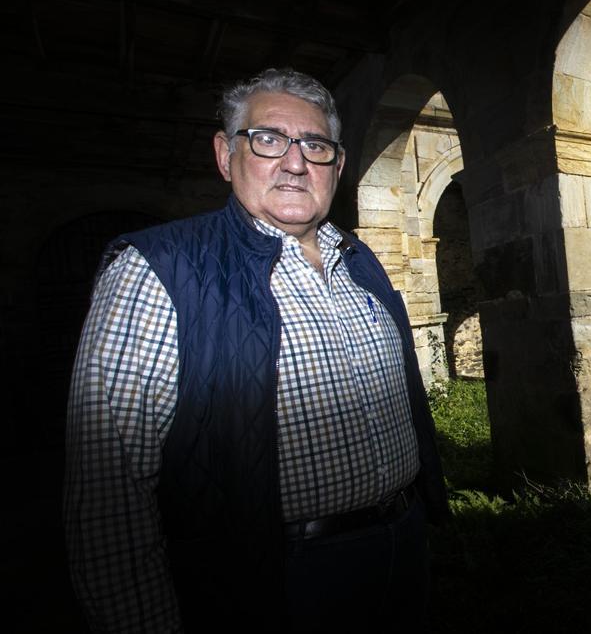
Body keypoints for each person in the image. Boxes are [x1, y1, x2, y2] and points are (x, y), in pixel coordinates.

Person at [64, 68, 449, 633]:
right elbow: (109, 491)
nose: (295, 162)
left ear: (337, 167)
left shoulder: (361, 260)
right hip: (271, 579)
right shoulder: (160, 270)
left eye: (315, 146)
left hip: (401, 549)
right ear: (226, 155)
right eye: (268, 139)